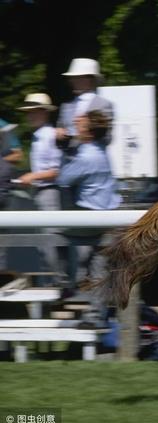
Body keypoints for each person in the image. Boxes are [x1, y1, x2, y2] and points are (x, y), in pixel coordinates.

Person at [57, 110, 121, 299]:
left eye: (81, 124)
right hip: (108, 214)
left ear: (89, 133)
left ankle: (66, 284)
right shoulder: (101, 149)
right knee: (99, 263)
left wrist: (63, 148)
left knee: (54, 235)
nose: (76, 122)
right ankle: (95, 315)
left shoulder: (87, 156)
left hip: (90, 215)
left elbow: (63, 179)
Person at [15, 93, 64, 285]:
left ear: (44, 113)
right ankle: (53, 282)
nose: (29, 116)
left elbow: (57, 171)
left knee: (49, 240)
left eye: (33, 112)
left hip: (49, 192)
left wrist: (32, 176)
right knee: (45, 241)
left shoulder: (50, 136)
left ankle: (58, 283)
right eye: (28, 112)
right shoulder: (38, 137)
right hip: (41, 191)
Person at [56, 58, 114, 151]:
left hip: (93, 160)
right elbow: (60, 132)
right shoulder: (66, 106)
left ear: (90, 79)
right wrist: (58, 134)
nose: (73, 81)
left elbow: (107, 139)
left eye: (77, 77)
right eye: (72, 78)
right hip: (68, 161)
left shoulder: (103, 105)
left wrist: (88, 130)